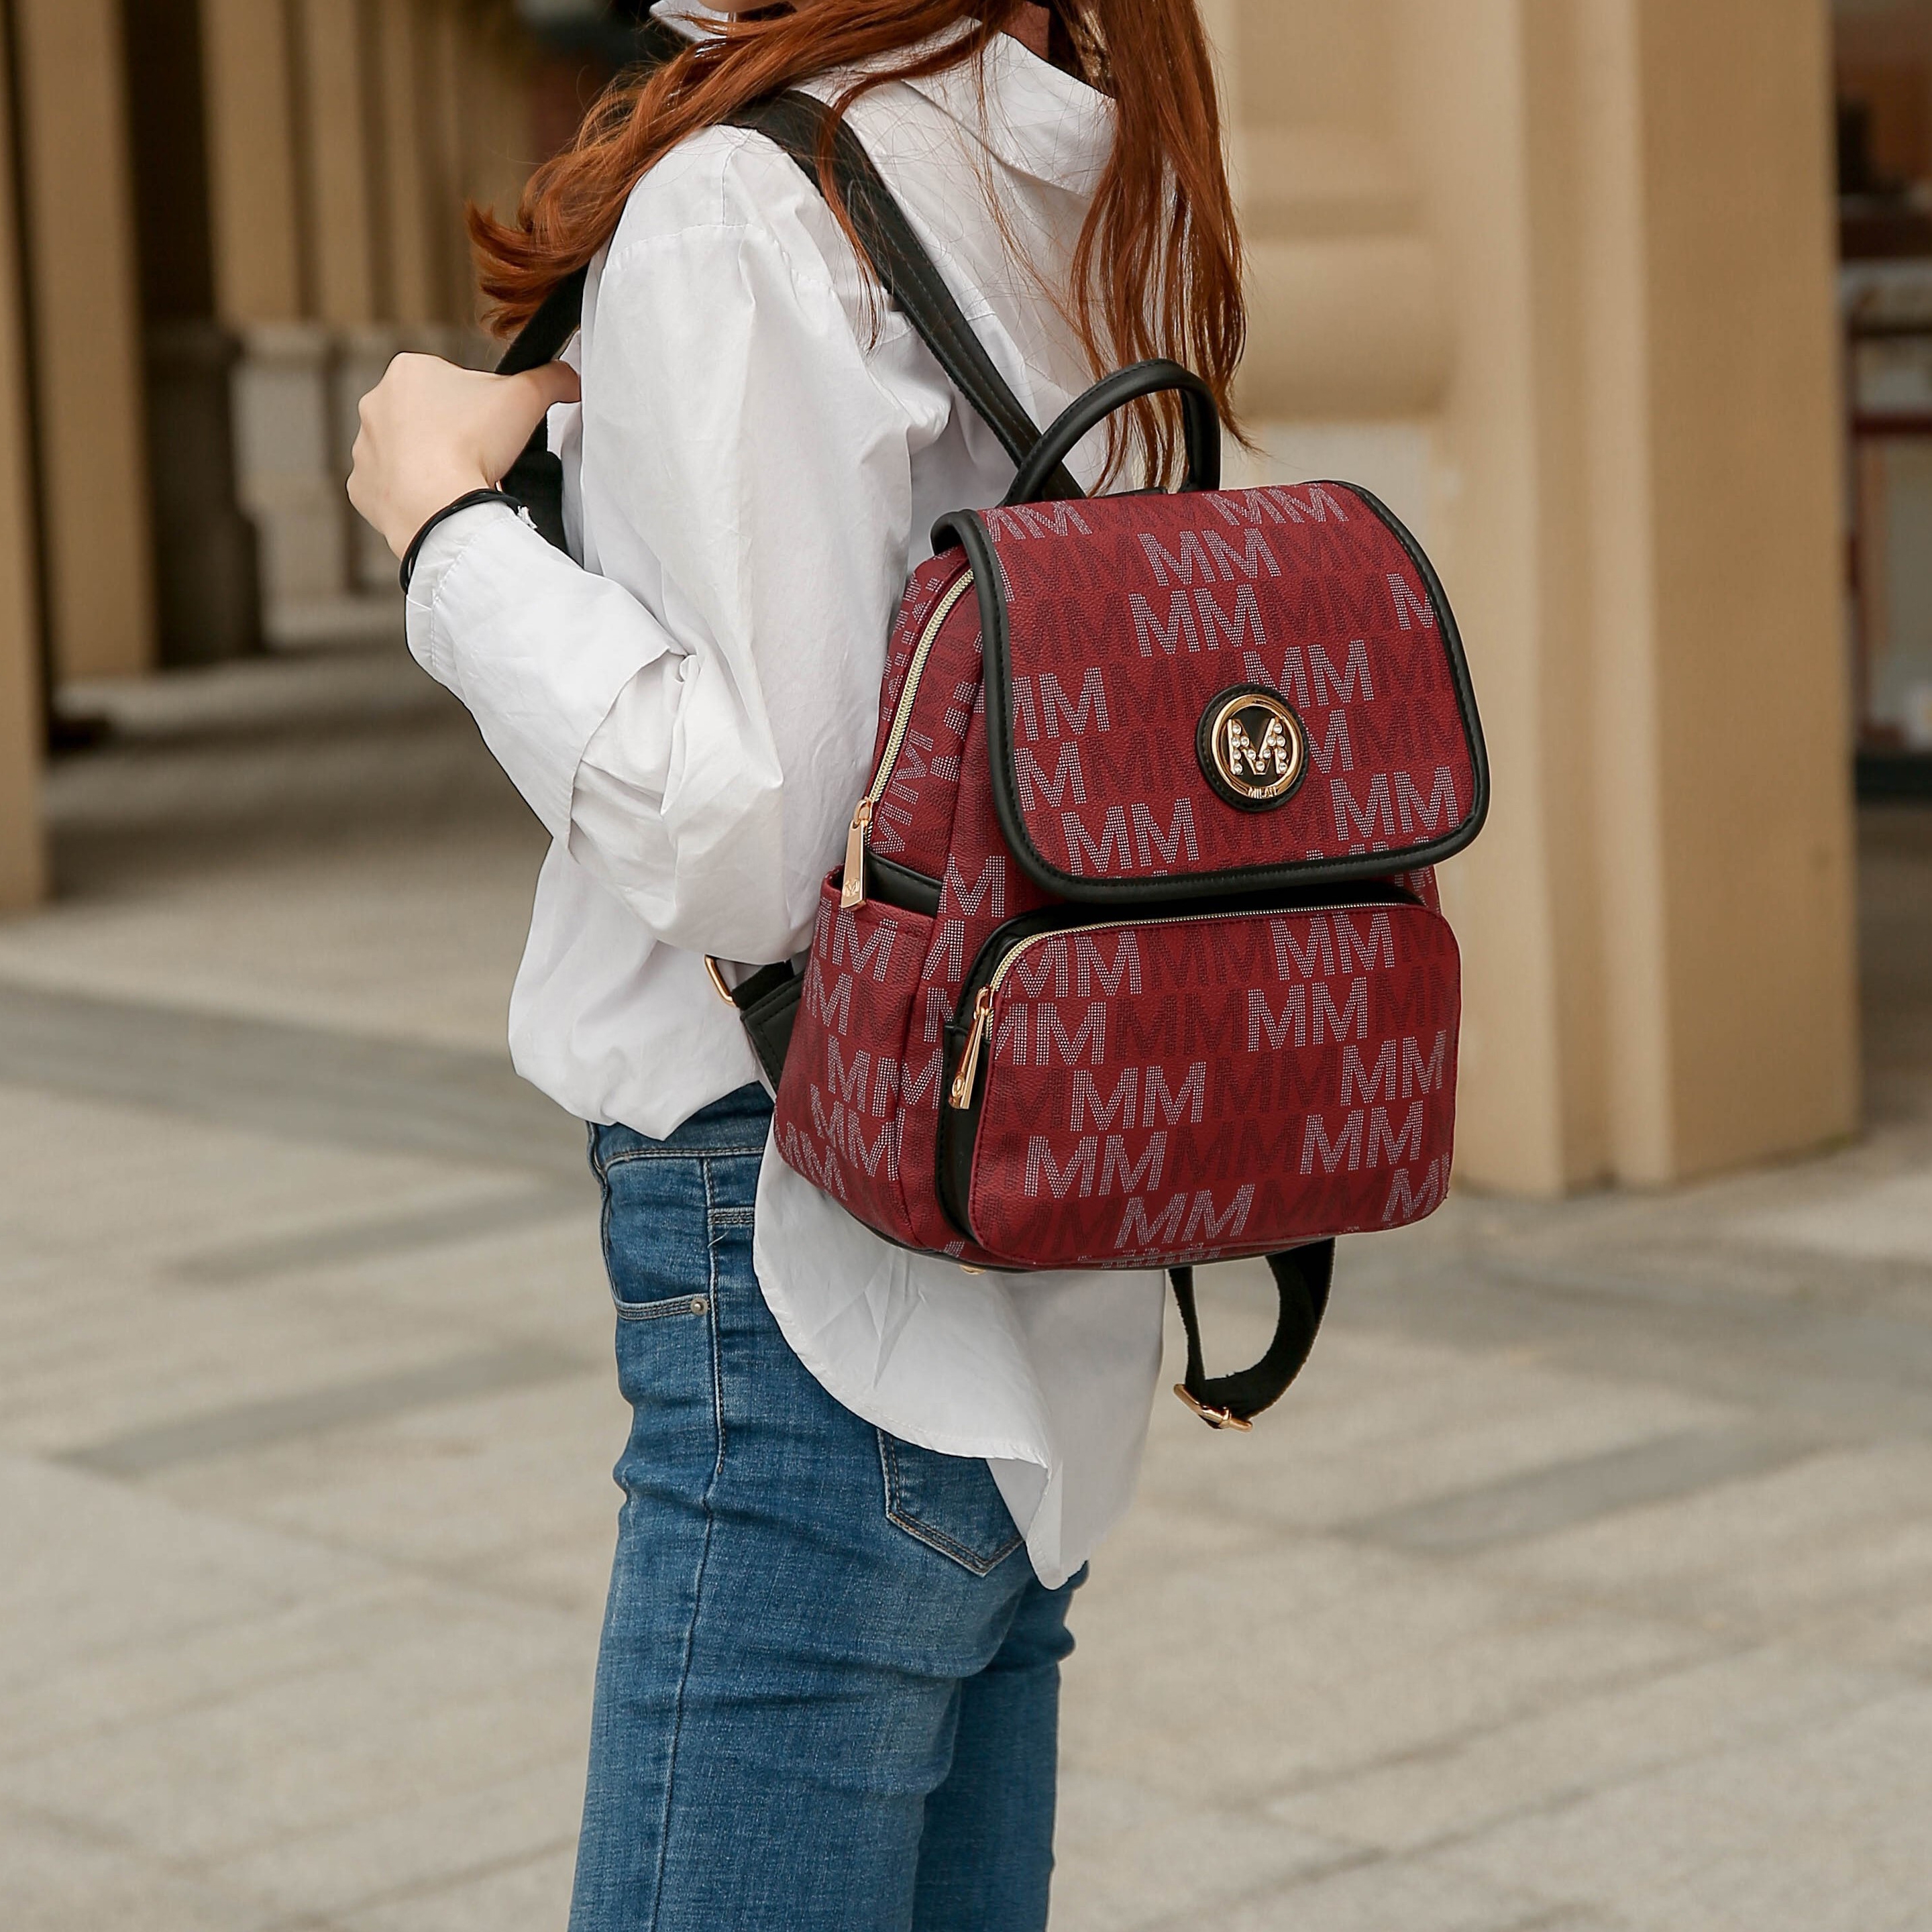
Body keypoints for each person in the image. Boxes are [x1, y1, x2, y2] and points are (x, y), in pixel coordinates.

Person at [347, 3, 1244, 1926]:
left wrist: (443, 533)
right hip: (1029, 1278)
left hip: (802, 1276)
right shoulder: (1055, 154)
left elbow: (756, 847)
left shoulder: (746, 205)